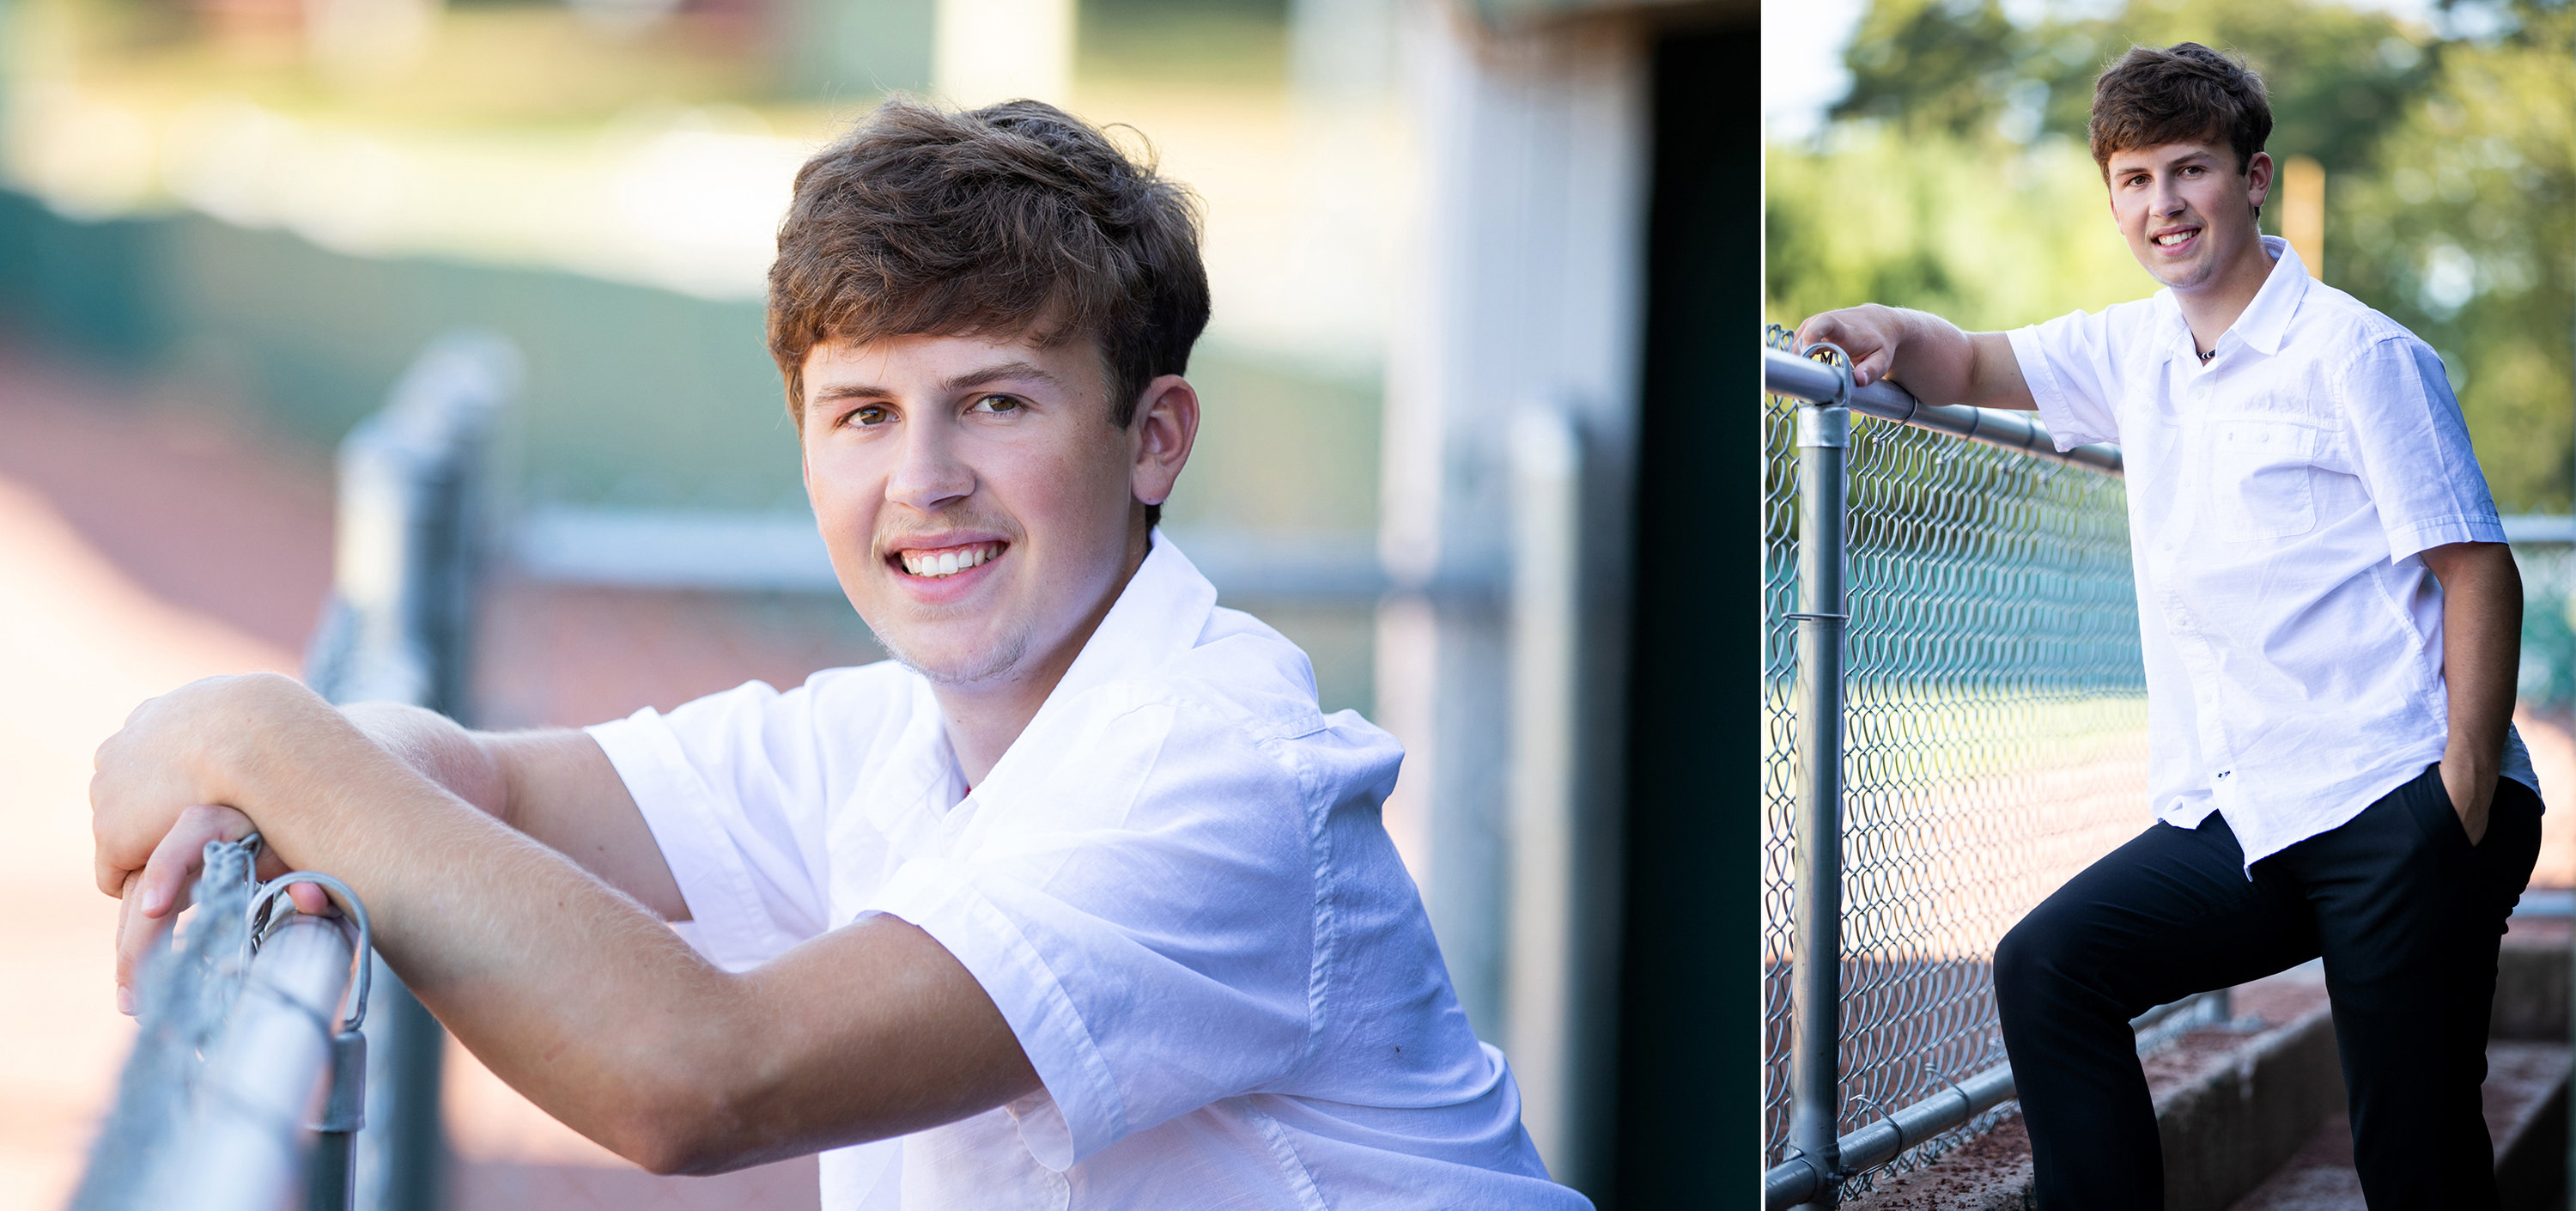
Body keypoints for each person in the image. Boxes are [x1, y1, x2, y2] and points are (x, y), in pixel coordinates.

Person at [89, 99, 1587, 1211]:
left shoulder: (1215, 767)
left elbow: (705, 1076)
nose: (921, 478)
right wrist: (306, 769)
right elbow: (493, 787)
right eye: (863, 412)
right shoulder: (892, 730)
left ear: (1154, 437)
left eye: (995, 401)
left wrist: (266, 742)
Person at [1795, 43, 2541, 1211]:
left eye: (2188, 170)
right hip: (2254, 812)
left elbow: (2480, 574)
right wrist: (1880, 325)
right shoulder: (2136, 349)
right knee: (2052, 964)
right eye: (2134, 180)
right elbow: (1975, 358)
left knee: (2415, 1148)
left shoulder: (2358, 354)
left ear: (2254, 177)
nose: (2163, 205)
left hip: (2399, 791)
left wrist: (2458, 799)